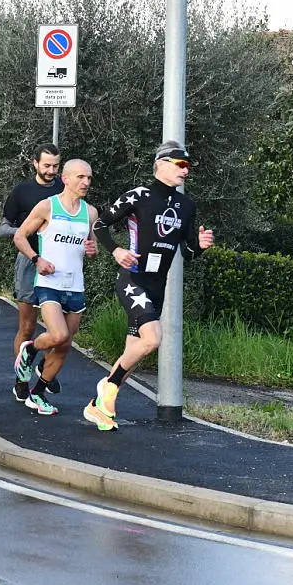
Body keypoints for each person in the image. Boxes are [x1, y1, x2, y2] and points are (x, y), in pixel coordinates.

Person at [86, 141, 214, 431]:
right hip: (133, 280)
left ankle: (99, 407)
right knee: (153, 338)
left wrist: (202, 246)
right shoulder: (140, 195)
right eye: (180, 164)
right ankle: (107, 389)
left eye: (188, 166)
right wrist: (116, 251)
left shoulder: (186, 206)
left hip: (159, 285)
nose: (186, 170)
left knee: (136, 352)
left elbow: (188, 252)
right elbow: (100, 225)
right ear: (161, 164)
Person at [11, 160, 98, 414]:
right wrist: (37, 260)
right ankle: (30, 349)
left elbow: (90, 249)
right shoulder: (48, 206)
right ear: (66, 179)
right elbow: (19, 236)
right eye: (81, 177)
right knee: (57, 334)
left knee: (65, 344)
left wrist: (92, 250)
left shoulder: (90, 212)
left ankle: (37, 393)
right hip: (49, 283)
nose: (86, 183)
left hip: (75, 285)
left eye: (89, 178)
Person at [0, 143, 63, 400]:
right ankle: (21, 380)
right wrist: (28, 231)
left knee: (61, 330)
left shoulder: (64, 190)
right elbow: (5, 228)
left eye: (55, 166)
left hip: (59, 264)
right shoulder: (22, 191)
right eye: (46, 165)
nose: (51, 171)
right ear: (35, 164)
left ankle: (44, 367)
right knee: (27, 327)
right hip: (29, 261)